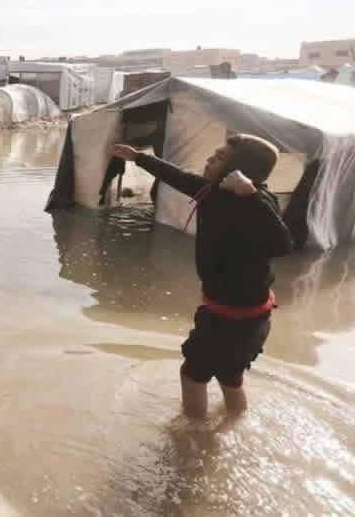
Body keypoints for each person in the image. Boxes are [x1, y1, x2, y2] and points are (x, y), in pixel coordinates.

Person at [111, 134, 293, 419]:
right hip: (247, 315)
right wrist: (138, 157)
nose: (210, 159)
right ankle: (235, 420)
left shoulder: (256, 202)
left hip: (231, 318)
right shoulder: (213, 191)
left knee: (192, 374)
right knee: (229, 376)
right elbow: (178, 177)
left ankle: (191, 439)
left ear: (241, 170)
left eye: (220, 157)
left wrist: (249, 195)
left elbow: (283, 244)